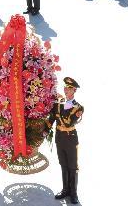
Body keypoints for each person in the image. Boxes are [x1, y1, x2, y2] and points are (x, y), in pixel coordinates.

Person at [50, 77, 83, 205]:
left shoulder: (78, 107)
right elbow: (52, 117)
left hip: (70, 138)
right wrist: (45, 130)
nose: (66, 90)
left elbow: (69, 121)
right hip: (60, 137)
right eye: (65, 87)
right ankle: (65, 190)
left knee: (73, 166)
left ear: (74, 90)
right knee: (63, 164)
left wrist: (63, 103)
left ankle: (73, 193)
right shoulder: (58, 103)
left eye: (69, 88)